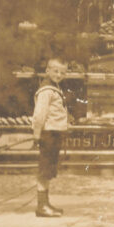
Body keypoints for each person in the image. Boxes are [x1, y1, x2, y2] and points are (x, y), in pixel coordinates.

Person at [33, 57, 69, 217]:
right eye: (55, 71)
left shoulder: (54, 88)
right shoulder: (46, 90)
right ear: (47, 71)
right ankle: (42, 206)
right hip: (48, 133)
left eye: (62, 72)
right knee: (44, 170)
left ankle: (45, 203)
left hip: (54, 133)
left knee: (48, 170)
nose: (59, 75)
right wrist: (37, 133)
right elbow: (40, 114)